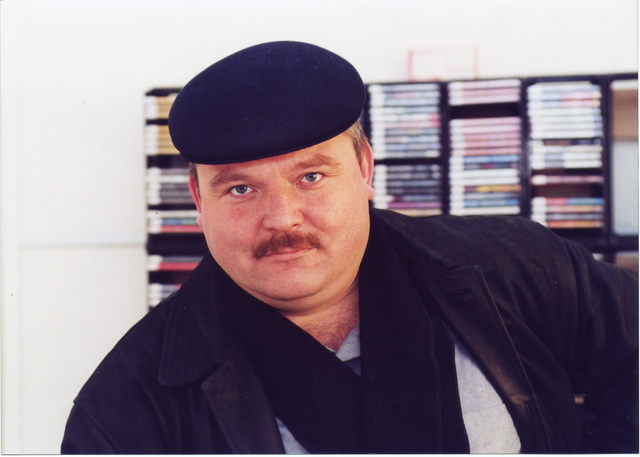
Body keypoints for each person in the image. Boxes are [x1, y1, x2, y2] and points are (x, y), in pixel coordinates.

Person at [61, 41, 638, 454]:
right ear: (196, 199)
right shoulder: (126, 404)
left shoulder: (513, 265)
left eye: (311, 176)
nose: (281, 217)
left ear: (364, 169)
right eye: (240, 189)